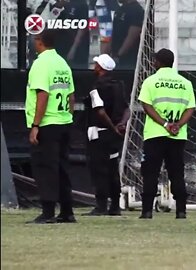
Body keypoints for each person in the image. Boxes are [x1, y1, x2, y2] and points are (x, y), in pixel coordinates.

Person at [25, 29, 76, 224]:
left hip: (47, 123)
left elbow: (42, 95)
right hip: (63, 122)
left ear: (39, 41)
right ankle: (67, 211)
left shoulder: (41, 64)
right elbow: (71, 96)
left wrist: (36, 125)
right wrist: (67, 117)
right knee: (62, 167)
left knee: (45, 167)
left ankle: (47, 212)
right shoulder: (62, 63)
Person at [137, 48, 195, 219]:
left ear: (158, 62)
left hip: (155, 134)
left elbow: (147, 106)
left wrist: (164, 124)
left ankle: (147, 211)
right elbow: (190, 108)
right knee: (176, 173)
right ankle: (181, 211)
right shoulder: (185, 83)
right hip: (177, 135)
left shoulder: (150, 81)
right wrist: (177, 125)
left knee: (150, 172)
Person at [82, 54, 130, 216]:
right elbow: (127, 109)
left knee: (98, 170)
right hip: (114, 137)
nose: (94, 66)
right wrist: (121, 125)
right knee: (112, 169)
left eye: (96, 64)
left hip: (99, 134)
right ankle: (115, 206)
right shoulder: (119, 85)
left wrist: (112, 127)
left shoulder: (95, 88)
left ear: (100, 68)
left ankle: (101, 206)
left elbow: (100, 111)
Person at [54, 0, 91, 69]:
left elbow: (82, 28)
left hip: (78, 52)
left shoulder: (81, 4)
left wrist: (73, 49)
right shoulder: (62, 4)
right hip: (62, 49)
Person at [111, 0, 144, 69]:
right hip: (116, 58)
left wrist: (119, 55)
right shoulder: (120, 9)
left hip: (129, 61)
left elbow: (132, 35)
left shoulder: (136, 10)